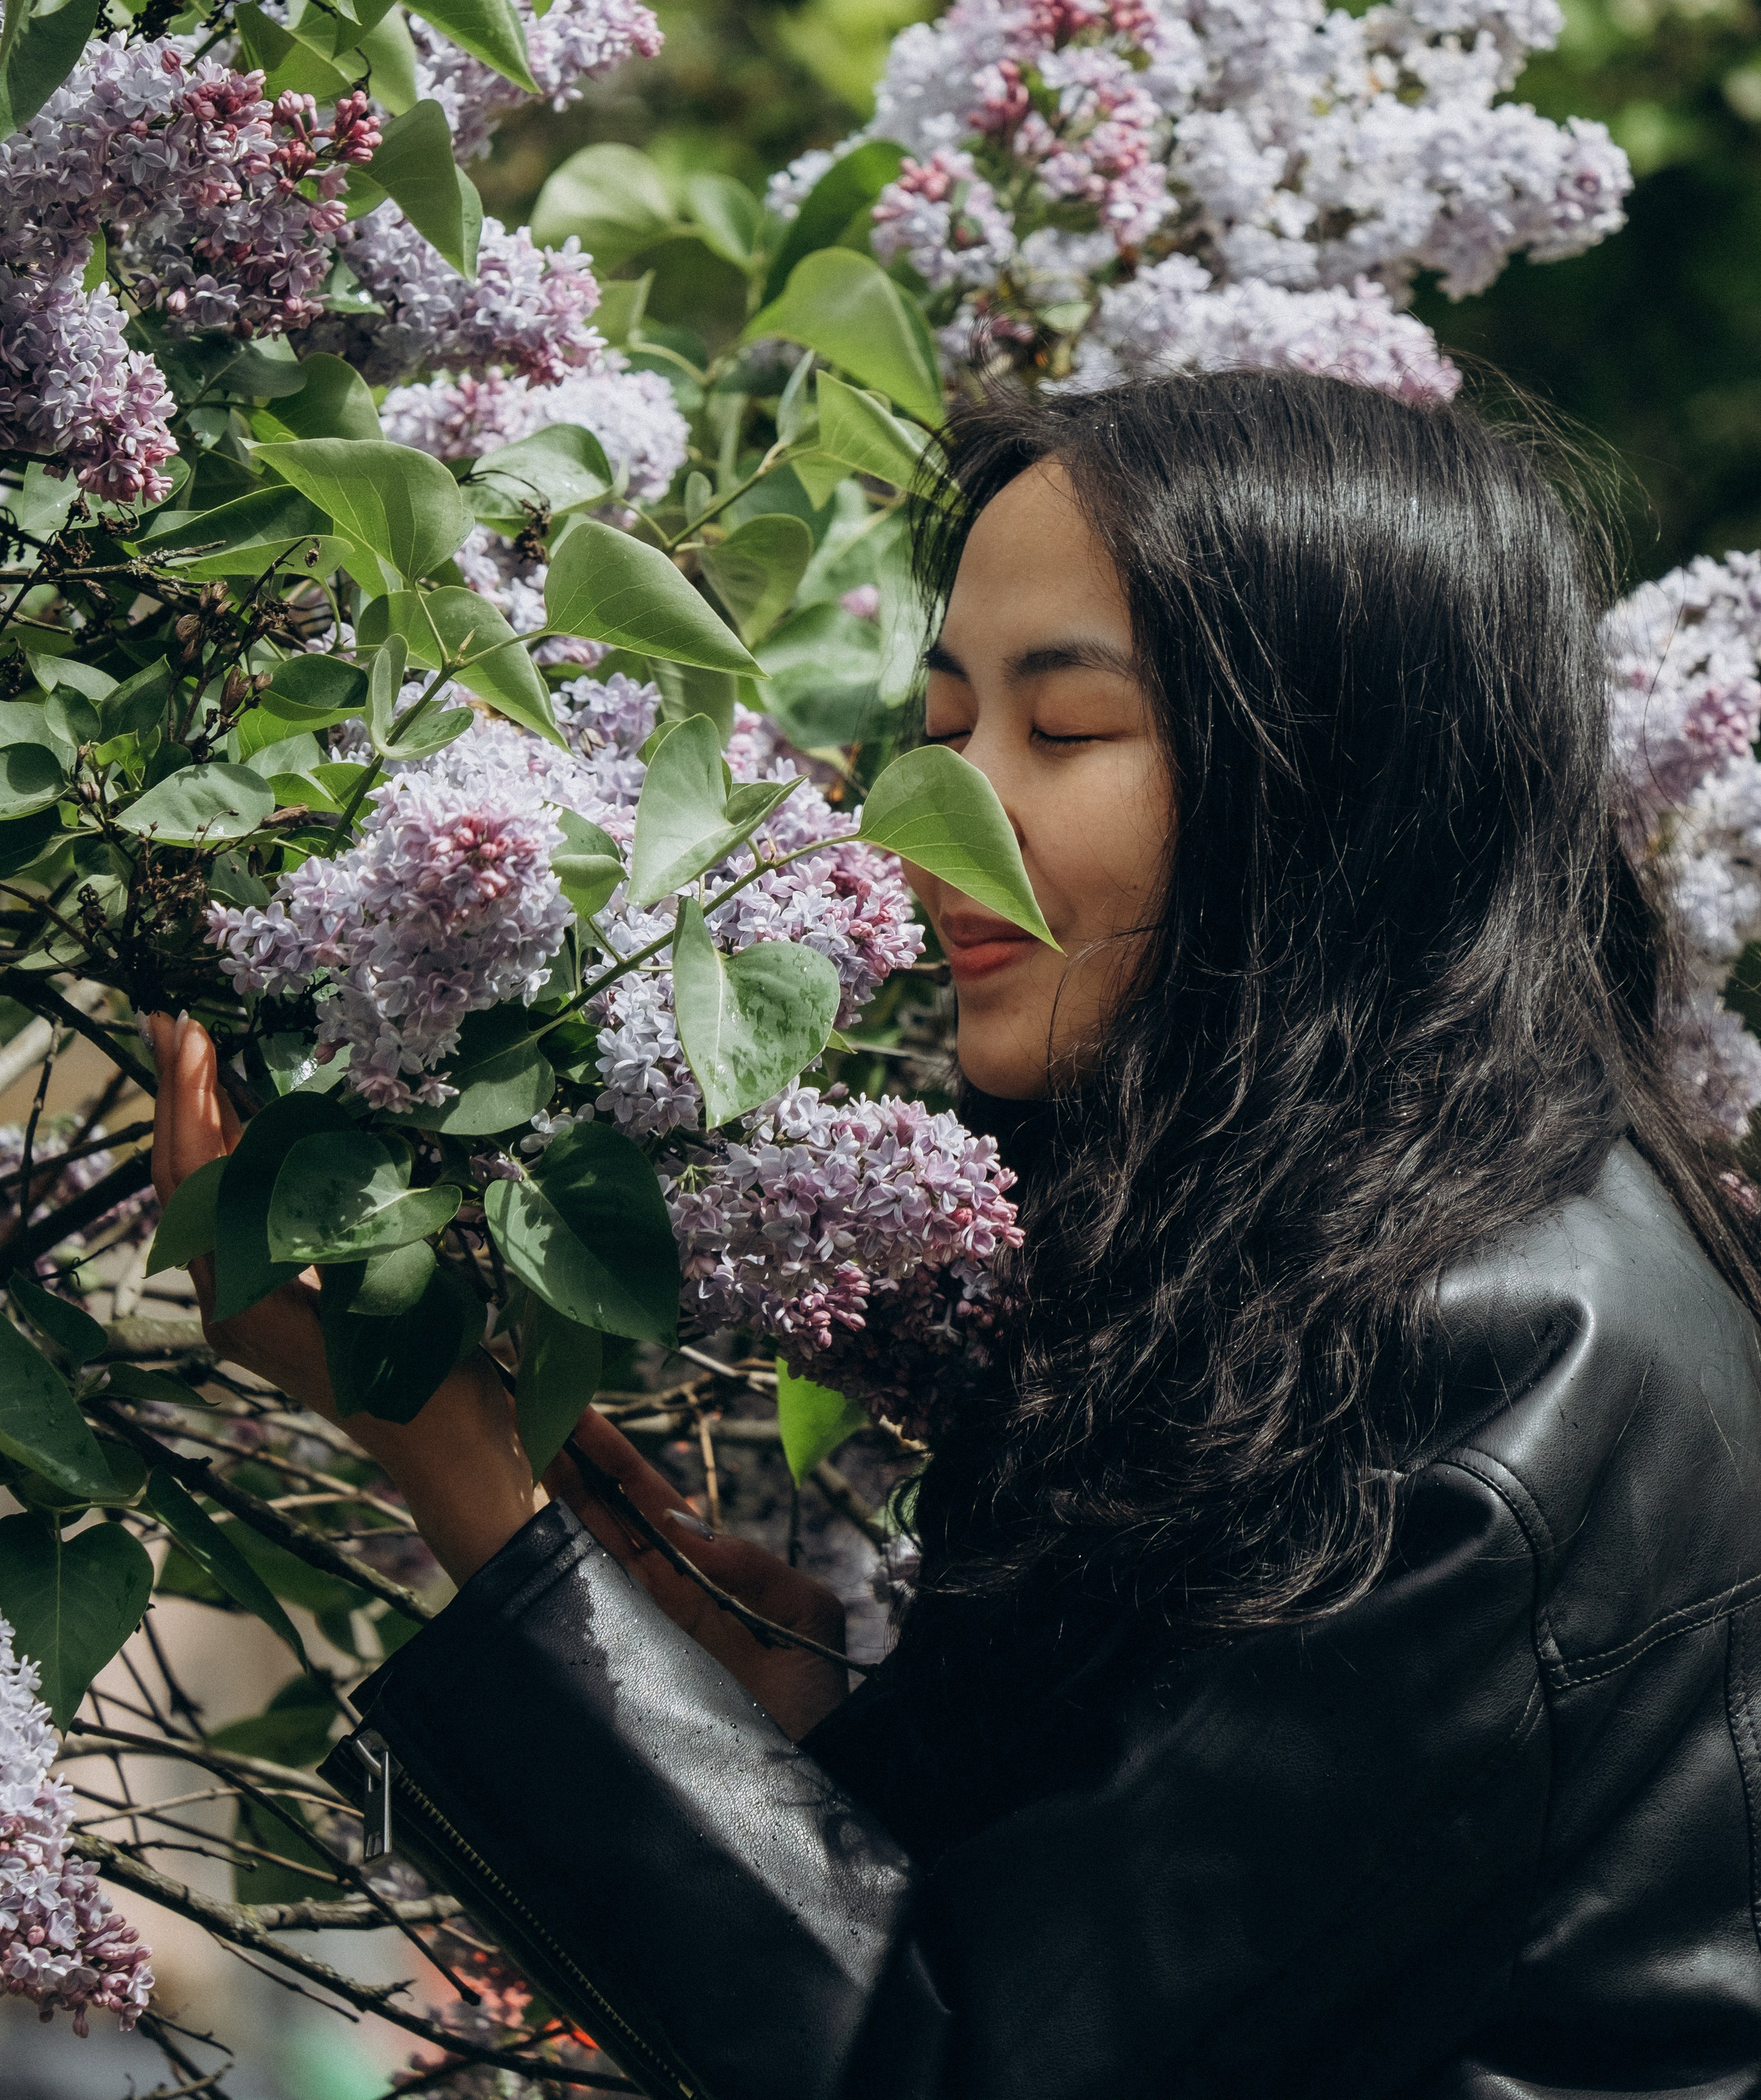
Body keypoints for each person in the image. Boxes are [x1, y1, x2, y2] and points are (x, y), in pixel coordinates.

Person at [153, 371, 1761, 2100]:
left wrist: (463, 1470)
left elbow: (955, 2072)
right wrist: (815, 1735)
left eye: (1063, 732)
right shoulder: (1334, 1267)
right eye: (943, 724)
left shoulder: (1490, 1367)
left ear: (1331, 784)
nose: (931, 823)